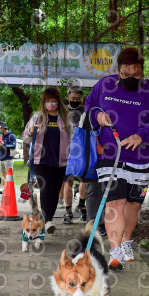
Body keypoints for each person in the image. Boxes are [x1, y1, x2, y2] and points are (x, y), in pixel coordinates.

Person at [86, 47, 149, 270]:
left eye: (136, 74)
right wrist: (98, 115)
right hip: (110, 156)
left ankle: (126, 241)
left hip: (140, 159)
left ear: (142, 70)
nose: (131, 78)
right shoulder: (104, 85)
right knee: (115, 202)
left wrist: (142, 136)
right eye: (125, 74)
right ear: (117, 70)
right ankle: (114, 252)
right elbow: (89, 105)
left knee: (133, 206)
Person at [22, 87, 72, 234]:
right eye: (48, 101)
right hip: (40, 160)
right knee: (45, 190)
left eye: (54, 101)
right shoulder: (38, 117)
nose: (51, 104)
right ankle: (47, 220)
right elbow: (25, 137)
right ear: (43, 102)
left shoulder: (65, 117)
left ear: (58, 101)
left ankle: (47, 219)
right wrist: (32, 131)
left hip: (60, 161)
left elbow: (74, 137)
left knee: (55, 191)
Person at [62, 86, 87, 224]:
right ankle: (68, 211)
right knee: (68, 181)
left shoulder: (86, 112)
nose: (76, 101)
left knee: (84, 181)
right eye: (73, 99)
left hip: (83, 151)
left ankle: (82, 206)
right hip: (67, 151)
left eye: (78, 99)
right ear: (68, 98)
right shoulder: (63, 112)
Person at [0, 121, 17, 193]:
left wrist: (4, 144)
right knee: (3, 175)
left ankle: (10, 190)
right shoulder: (1, 136)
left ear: (3, 128)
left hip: (8, 159)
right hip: (1, 158)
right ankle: (5, 189)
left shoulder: (11, 136)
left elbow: (13, 145)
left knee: (9, 175)